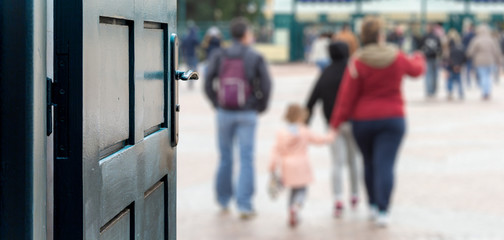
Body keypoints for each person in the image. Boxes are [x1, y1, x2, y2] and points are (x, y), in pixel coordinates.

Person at [330, 16, 425, 228]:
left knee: (369, 162)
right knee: (386, 164)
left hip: (363, 121)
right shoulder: (397, 56)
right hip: (392, 119)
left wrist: (335, 124)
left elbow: (346, 98)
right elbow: (417, 70)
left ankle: (372, 205)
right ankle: (384, 209)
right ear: (381, 35)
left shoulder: (357, 62)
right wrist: (419, 57)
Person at [204, 17, 272, 219]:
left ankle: (224, 199)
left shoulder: (219, 54)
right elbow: (266, 85)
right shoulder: (254, 55)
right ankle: (244, 205)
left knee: (225, 157)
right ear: (245, 35)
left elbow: (208, 82)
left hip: (224, 113)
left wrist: (217, 103)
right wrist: (259, 107)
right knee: (246, 158)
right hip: (247, 112)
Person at [305, 41, 361, 218]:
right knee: (354, 160)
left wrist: (304, 125)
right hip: (354, 122)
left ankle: (338, 199)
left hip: (333, 124)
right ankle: (355, 195)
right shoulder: (353, 71)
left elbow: (311, 101)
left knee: (337, 162)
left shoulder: (325, 74)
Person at [269, 104, 335, 228]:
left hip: (287, 165)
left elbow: (275, 150)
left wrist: (272, 167)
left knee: (292, 190)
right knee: (301, 190)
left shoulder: (281, 132)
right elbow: (319, 139)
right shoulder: (303, 130)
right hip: (301, 165)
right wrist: (331, 135)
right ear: (301, 117)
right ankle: (297, 206)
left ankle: (291, 210)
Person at [467, 24, 501, 100]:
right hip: (490, 61)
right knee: (488, 77)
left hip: (479, 61)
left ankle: (484, 93)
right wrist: (499, 61)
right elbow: (496, 51)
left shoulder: (476, 40)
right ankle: (488, 92)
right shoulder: (492, 40)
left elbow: (470, 52)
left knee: (483, 77)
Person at [421, 24, 442, 98]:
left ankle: (429, 91)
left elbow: (421, 47)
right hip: (435, 57)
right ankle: (433, 90)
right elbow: (440, 48)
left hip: (427, 58)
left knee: (428, 75)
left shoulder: (425, 37)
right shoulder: (436, 37)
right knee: (435, 75)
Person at [445, 29, 466, 100]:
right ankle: (460, 92)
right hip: (458, 66)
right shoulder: (460, 47)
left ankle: (450, 92)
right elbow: (463, 56)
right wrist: (460, 64)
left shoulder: (449, 48)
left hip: (451, 66)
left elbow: (447, 58)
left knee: (450, 80)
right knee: (458, 80)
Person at [181, 23, 200, 90]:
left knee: (189, 69)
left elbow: (182, 46)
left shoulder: (185, 37)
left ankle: (189, 82)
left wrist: (183, 55)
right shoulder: (194, 37)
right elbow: (198, 43)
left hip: (187, 55)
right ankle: (191, 82)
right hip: (193, 55)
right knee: (194, 69)